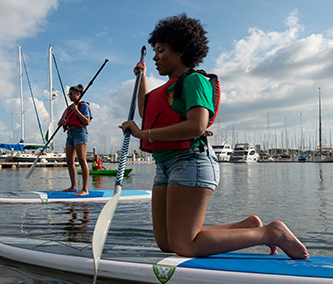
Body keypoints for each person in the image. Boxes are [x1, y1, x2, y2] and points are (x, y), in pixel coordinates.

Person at [119, 14, 309, 259]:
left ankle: (272, 233)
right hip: (164, 165)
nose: (155, 56)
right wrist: (142, 77)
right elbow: (147, 112)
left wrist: (142, 134)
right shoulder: (163, 90)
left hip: (190, 163)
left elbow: (197, 126)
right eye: (154, 51)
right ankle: (247, 228)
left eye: (161, 50)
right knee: (167, 243)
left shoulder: (194, 81)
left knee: (184, 245)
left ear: (180, 51)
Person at [59, 84, 92, 196]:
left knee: (82, 160)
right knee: (69, 161)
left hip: (80, 133)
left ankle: (85, 189)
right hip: (70, 134)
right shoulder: (68, 109)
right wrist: (61, 121)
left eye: (71, 94)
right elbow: (60, 122)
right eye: (69, 94)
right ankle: (73, 186)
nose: (69, 96)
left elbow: (87, 121)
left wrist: (77, 110)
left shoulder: (83, 106)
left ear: (78, 94)